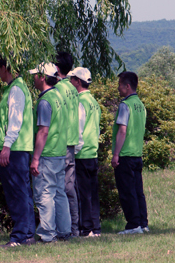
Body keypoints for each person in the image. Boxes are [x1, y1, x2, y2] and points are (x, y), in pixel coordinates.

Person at [0, 57, 36, 248]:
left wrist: (6, 146)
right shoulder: (16, 87)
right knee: (24, 193)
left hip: (15, 149)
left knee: (17, 194)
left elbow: (14, 120)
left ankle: (18, 236)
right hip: (20, 148)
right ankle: (27, 234)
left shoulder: (16, 89)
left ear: (4, 68)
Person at [29, 62, 72, 242]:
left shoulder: (45, 101)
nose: (33, 78)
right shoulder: (59, 96)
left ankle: (47, 234)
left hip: (47, 154)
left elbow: (43, 131)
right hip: (60, 151)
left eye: (35, 75)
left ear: (42, 77)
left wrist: (35, 158)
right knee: (59, 193)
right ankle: (64, 230)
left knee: (44, 194)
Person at [111, 71, 148, 235]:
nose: (118, 88)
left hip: (125, 154)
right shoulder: (141, 105)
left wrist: (115, 154)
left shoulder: (125, 105)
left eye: (120, 84)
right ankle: (142, 223)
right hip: (137, 153)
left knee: (127, 192)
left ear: (127, 86)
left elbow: (122, 131)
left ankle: (133, 225)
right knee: (138, 191)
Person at [68, 67, 102, 237]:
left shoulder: (80, 101)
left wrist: (74, 151)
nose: (70, 82)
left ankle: (86, 228)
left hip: (82, 154)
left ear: (78, 82)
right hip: (93, 152)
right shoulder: (94, 102)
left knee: (83, 194)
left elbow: (78, 128)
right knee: (93, 194)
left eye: (72, 79)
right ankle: (95, 227)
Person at [54, 52, 81, 236]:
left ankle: (63, 228)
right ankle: (74, 228)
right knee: (69, 188)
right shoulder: (72, 87)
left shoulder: (58, 89)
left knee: (59, 189)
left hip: (61, 143)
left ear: (56, 68)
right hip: (72, 142)